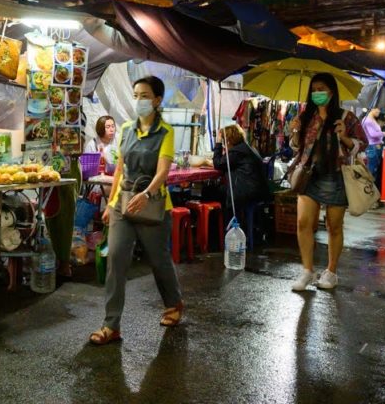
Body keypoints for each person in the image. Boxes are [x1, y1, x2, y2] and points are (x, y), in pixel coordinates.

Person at [89, 76, 183, 345]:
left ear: (156, 100)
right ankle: (111, 325)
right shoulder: (127, 129)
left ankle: (174, 303)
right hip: (123, 203)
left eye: (144, 96)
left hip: (152, 205)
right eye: (136, 95)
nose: (139, 100)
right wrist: (110, 203)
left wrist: (147, 193)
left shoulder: (166, 132)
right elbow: (120, 168)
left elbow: (163, 171)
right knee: (115, 259)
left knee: (158, 260)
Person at [287, 73, 368, 292]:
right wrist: (294, 130)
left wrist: (344, 136)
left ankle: (331, 272)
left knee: (334, 226)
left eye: (321, 89)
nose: (316, 94)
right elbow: (297, 147)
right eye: (313, 90)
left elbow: (363, 144)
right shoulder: (305, 116)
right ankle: (307, 271)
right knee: (304, 223)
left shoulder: (346, 117)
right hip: (308, 175)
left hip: (336, 176)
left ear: (331, 92)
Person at [206, 124, 272, 244]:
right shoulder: (247, 148)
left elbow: (218, 164)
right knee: (216, 190)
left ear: (229, 139)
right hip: (257, 191)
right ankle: (218, 231)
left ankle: (214, 234)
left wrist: (218, 143)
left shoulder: (237, 151)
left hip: (246, 191)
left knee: (209, 191)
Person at [362, 108, 385, 190]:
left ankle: (371, 193)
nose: (383, 124)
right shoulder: (368, 122)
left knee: (373, 172)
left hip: (373, 149)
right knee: (371, 172)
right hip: (372, 149)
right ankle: (368, 193)